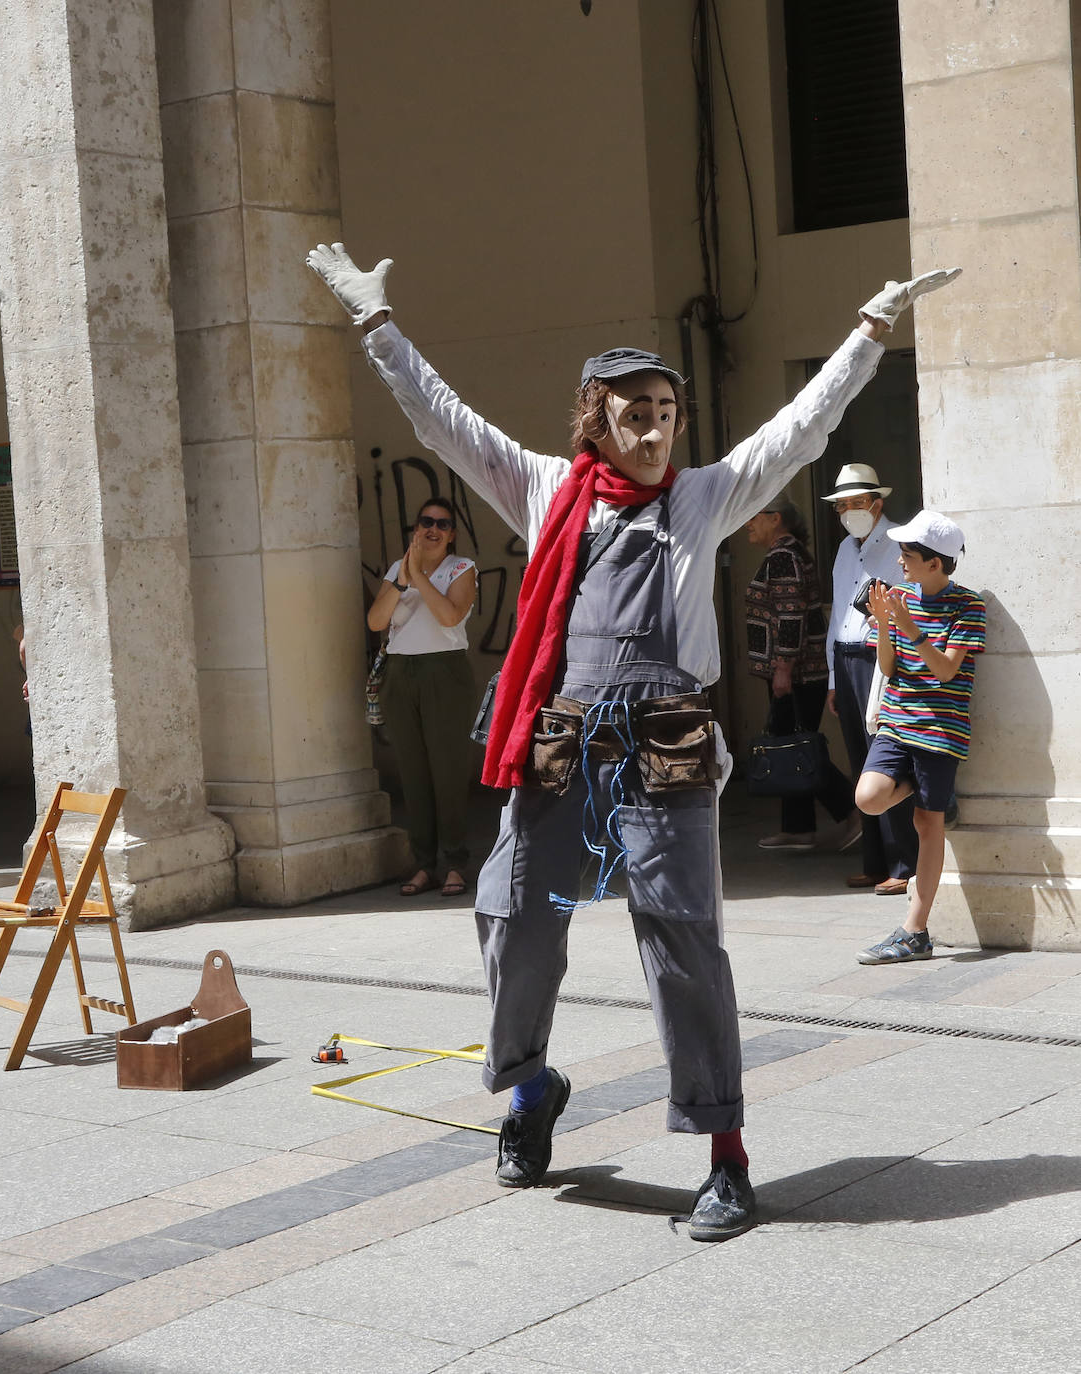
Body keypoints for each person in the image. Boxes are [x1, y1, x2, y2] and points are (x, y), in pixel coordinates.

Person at [309, 240, 960, 1242]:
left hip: (664, 748)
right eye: (631, 411)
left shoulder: (704, 496)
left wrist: (868, 331)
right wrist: (375, 327)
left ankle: (723, 1155)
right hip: (562, 741)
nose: (652, 427)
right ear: (593, 419)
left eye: (664, 411)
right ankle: (528, 1093)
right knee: (514, 914)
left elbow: (801, 429)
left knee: (680, 940)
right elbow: (439, 420)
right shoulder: (538, 487)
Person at [854, 512, 985, 963]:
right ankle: (933, 792)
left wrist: (910, 628)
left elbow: (947, 670)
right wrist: (888, 626)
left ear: (935, 563)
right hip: (896, 722)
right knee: (868, 798)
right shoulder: (897, 597)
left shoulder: (968, 606)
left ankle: (916, 929)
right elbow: (888, 669)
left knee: (927, 825)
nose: (900, 562)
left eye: (908, 555)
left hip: (941, 732)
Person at [367, 496, 478, 898]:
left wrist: (420, 575)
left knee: (447, 772)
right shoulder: (397, 571)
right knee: (413, 773)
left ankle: (454, 863)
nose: (433, 529)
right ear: (415, 529)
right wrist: (403, 578)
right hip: (401, 674)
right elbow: (376, 620)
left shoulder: (462, 569)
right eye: (426, 521)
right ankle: (423, 864)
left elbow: (449, 616)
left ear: (452, 535)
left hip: (444, 672)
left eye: (443, 524)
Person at [823, 464, 920, 895]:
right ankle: (874, 860)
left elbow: (906, 606)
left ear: (876, 504)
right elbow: (838, 609)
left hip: (878, 656)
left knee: (887, 757)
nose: (847, 512)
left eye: (855, 503)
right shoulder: (845, 548)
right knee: (860, 758)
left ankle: (903, 863)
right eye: (841, 505)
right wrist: (831, 675)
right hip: (846, 659)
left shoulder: (898, 542)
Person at [744, 498, 858, 852]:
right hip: (797, 671)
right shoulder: (789, 554)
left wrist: (783, 669)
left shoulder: (783, 557)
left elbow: (790, 615)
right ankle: (797, 829)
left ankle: (853, 810)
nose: (747, 522)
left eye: (754, 515)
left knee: (798, 746)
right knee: (791, 745)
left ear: (775, 518)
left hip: (796, 673)